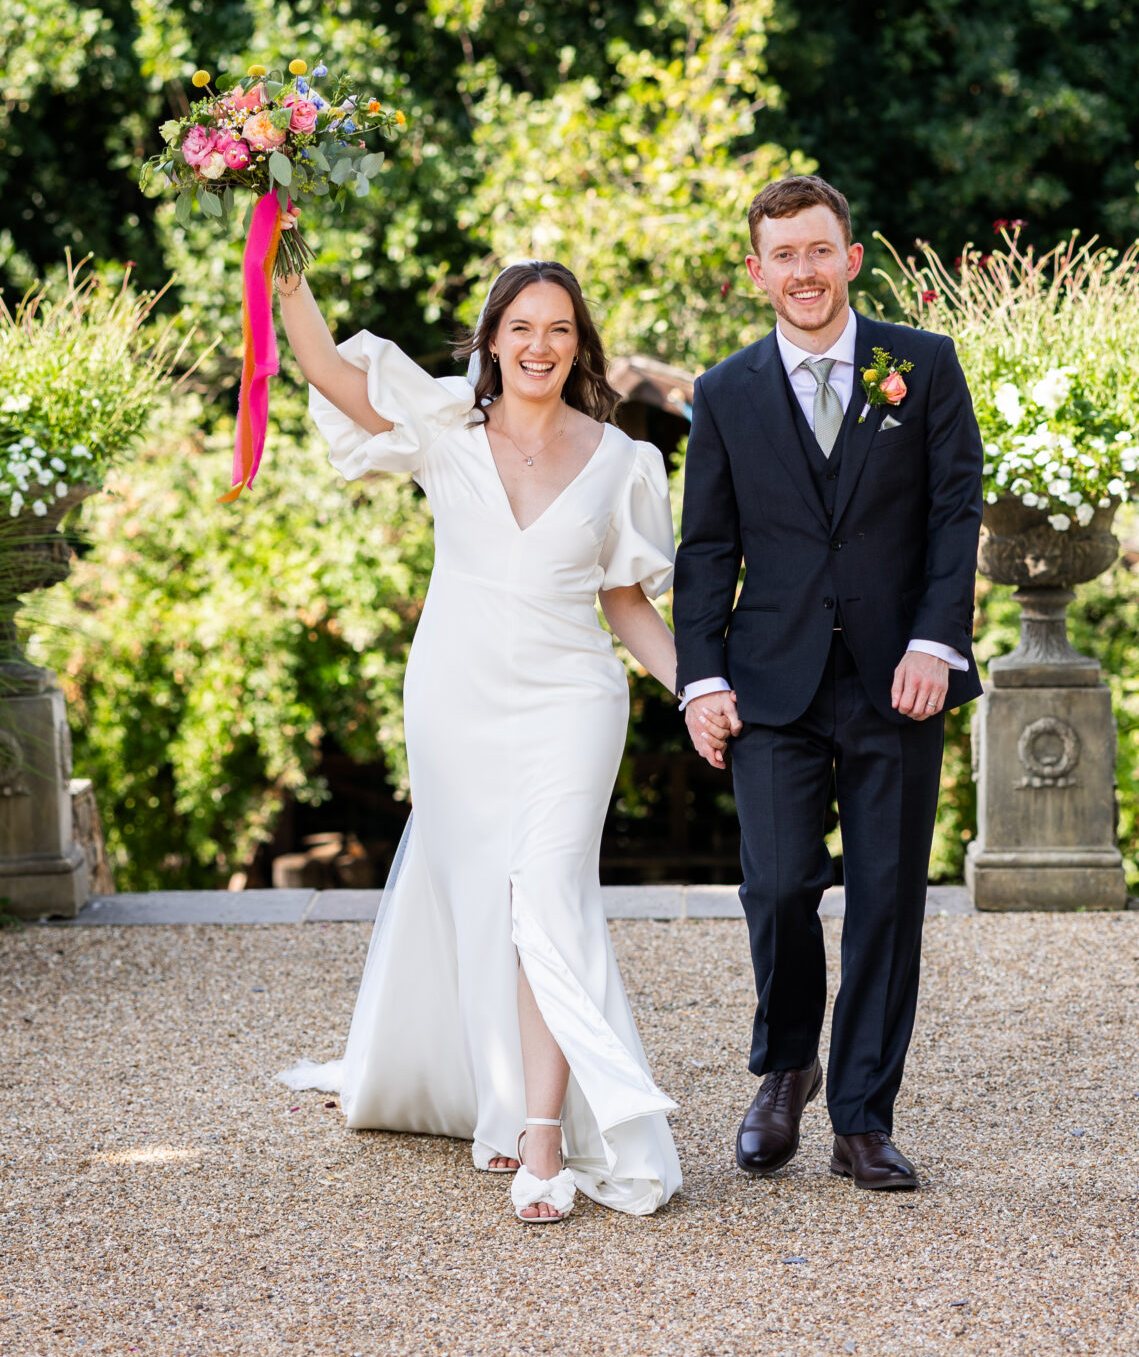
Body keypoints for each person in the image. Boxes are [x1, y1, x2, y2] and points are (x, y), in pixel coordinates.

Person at [275, 257, 682, 1222]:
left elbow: (623, 602)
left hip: (571, 701)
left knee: (545, 896)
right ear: (491, 340)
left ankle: (544, 1140)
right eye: (521, 327)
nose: (539, 346)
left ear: (578, 346)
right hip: (452, 699)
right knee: (482, 900)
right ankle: (500, 1100)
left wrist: (699, 688)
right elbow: (324, 367)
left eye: (559, 329)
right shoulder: (443, 431)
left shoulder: (622, 460)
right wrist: (279, 257)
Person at [673, 175, 983, 1192]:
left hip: (900, 675)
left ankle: (861, 1114)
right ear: (755, 270)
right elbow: (707, 545)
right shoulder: (722, 391)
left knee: (887, 896)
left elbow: (953, 513)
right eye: (783, 254)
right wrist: (701, 674)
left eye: (820, 249)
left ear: (852, 256)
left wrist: (937, 644)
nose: (803, 271)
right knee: (775, 886)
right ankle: (785, 1066)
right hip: (770, 680)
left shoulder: (921, 365)